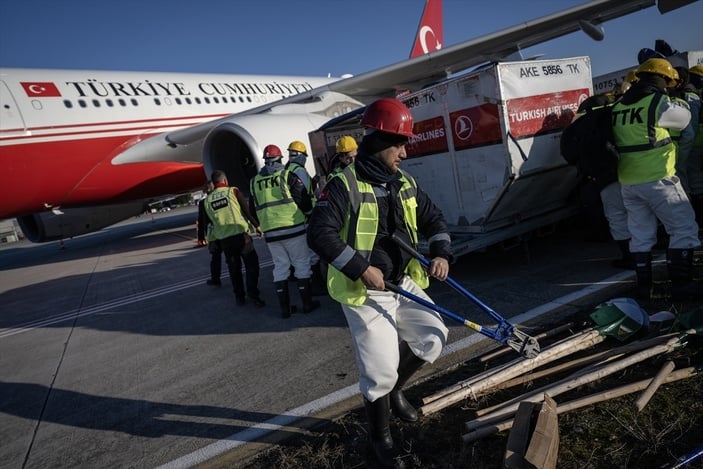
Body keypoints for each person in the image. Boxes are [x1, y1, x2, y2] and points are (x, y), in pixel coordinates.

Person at [307, 98, 452, 468]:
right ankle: (379, 438)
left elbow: (436, 220)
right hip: (366, 292)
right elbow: (319, 235)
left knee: (433, 339)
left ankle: (396, 391)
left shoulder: (404, 181)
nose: (404, 152)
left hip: (404, 282)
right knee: (379, 371)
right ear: (380, 141)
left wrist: (441, 255)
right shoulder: (342, 184)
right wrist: (360, 267)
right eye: (400, 144)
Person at [611, 58, 701, 301]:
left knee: (640, 235)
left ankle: (644, 288)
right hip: (659, 179)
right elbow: (683, 121)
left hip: (628, 182)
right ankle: (681, 285)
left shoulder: (619, 106)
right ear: (663, 80)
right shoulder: (658, 102)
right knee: (683, 229)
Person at [249, 144, 320, 317]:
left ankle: (285, 309)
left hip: (271, 233)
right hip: (293, 228)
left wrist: (263, 224)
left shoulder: (254, 182)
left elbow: (253, 208)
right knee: (302, 264)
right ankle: (307, 304)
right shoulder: (287, 175)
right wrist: (309, 214)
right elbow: (301, 198)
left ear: (265, 161)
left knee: (280, 268)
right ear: (280, 158)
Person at [204, 169, 266, 308]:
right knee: (252, 266)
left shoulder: (207, 201)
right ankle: (253, 293)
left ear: (213, 184)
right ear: (225, 181)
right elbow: (246, 211)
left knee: (234, 269)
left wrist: (212, 241)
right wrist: (257, 226)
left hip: (225, 241)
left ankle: (239, 297)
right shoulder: (232, 191)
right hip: (241, 237)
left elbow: (210, 223)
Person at [285, 140, 326, 295]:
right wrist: (310, 214)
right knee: (312, 253)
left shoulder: (287, 169)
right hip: (305, 216)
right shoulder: (299, 170)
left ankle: (300, 280)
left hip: (293, 217)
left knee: (299, 254)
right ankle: (316, 286)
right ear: (301, 156)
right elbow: (303, 195)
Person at [197, 181, 223, 286]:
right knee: (231, 256)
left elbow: (201, 220)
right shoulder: (219, 198)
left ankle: (215, 279)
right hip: (225, 231)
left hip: (213, 235)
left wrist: (201, 236)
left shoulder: (203, 203)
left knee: (216, 258)